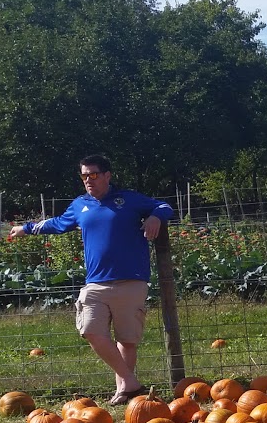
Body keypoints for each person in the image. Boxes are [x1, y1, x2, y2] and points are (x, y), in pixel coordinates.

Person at [9, 155, 175, 404]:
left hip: (132, 280)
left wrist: (155, 217)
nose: (88, 180)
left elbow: (164, 206)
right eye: (84, 175)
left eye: (94, 175)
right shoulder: (80, 205)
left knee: (127, 340)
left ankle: (124, 391)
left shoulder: (128, 199)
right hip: (96, 282)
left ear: (107, 175)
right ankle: (130, 382)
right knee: (90, 330)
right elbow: (58, 224)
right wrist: (28, 228)